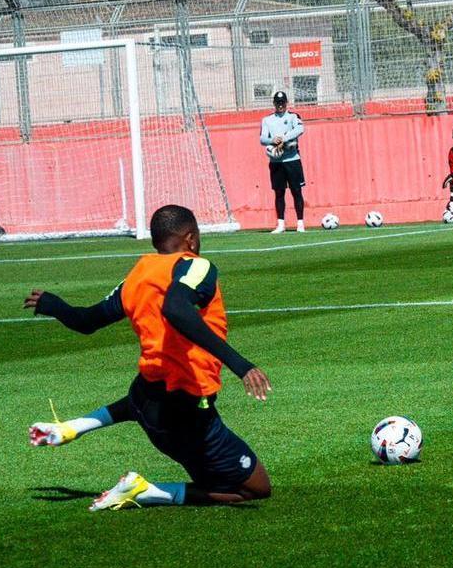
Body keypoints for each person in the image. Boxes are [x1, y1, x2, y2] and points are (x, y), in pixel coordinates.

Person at [23, 204, 274, 511]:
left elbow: (86, 321)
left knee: (142, 399)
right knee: (257, 487)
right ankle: (144, 490)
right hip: (187, 417)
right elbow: (176, 308)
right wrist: (241, 366)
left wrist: (54, 304)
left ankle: (72, 427)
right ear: (191, 238)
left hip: (146, 402)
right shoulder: (197, 266)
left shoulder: (138, 274)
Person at [261, 91, 307, 232]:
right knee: (279, 192)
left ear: (286, 103)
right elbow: (262, 138)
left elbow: (300, 129)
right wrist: (272, 140)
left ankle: (300, 223)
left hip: (292, 160)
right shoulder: (267, 120)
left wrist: (283, 138)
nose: (280, 105)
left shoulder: (293, 117)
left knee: (296, 191)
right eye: (278, 103)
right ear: (274, 104)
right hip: (276, 162)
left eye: (282, 102)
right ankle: (281, 224)